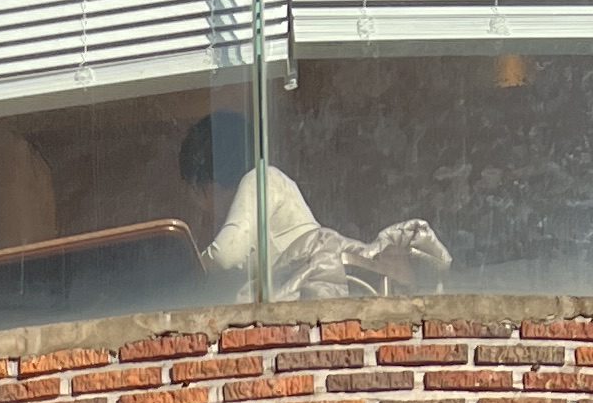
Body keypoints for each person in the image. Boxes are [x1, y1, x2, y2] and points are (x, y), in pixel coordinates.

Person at [177, 111, 450, 302]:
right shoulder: (271, 185)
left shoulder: (261, 179)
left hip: (315, 282)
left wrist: (189, 271)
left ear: (203, 185)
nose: (203, 207)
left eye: (197, 194)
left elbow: (226, 255)